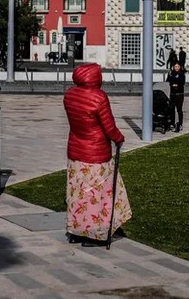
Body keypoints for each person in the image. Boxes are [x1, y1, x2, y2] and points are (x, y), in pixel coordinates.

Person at [63, 63, 132, 247]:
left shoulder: (69, 95)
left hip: (75, 152)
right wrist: (119, 138)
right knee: (97, 194)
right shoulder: (99, 97)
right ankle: (95, 233)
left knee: (78, 194)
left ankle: (76, 230)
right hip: (96, 154)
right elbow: (109, 127)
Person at [167, 62, 186, 132]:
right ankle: (172, 123)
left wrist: (176, 84)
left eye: (178, 66)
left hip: (179, 94)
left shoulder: (182, 74)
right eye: (175, 66)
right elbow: (168, 81)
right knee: (172, 109)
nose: (176, 68)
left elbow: (182, 82)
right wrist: (172, 82)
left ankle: (180, 123)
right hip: (172, 94)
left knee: (179, 109)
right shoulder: (171, 73)